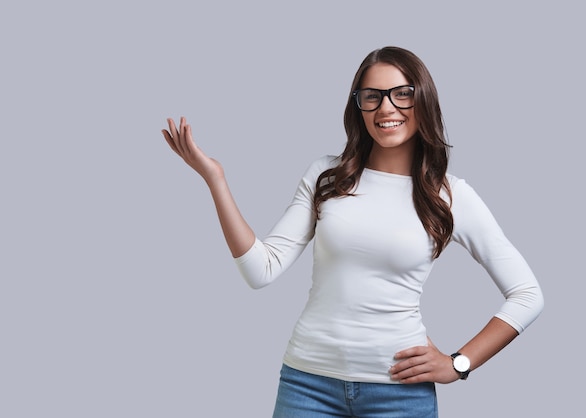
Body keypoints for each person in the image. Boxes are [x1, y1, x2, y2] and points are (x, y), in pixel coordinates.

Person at [161, 46, 544, 418]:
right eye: (372, 97)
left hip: (399, 394)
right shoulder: (326, 177)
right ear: (358, 106)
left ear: (423, 100)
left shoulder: (450, 195)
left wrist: (458, 364)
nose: (386, 108)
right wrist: (216, 180)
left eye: (402, 95)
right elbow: (261, 270)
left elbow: (527, 294)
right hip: (306, 384)